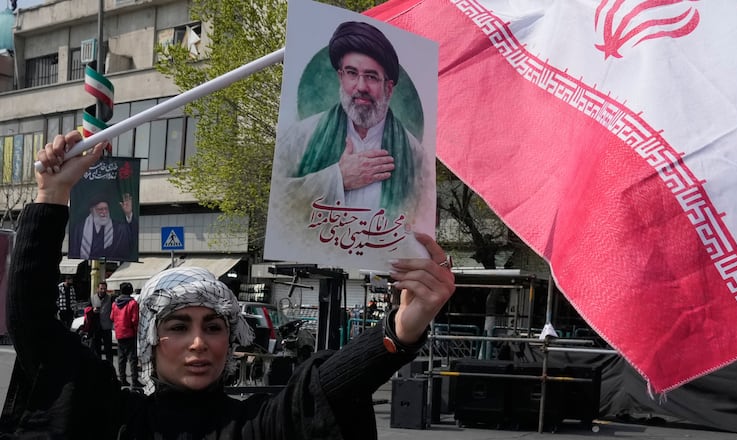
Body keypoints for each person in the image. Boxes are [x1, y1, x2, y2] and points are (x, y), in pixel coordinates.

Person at [0, 130, 455, 438]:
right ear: (150, 341)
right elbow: (34, 327)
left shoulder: (255, 424)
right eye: (178, 326)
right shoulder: (115, 420)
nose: (199, 343)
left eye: (213, 327)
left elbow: (323, 388)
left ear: (232, 338)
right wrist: (51, 196)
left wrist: (401, 331)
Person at [269, 21, 433, 235]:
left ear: (388, 88)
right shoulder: (301, 137)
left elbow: (421, 222)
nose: (361, 87)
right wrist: (337, 178)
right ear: (340, 77)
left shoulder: (415, 156)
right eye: (352, 73)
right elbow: (279, 203)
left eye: (372, 77)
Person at [68, 192, 137, 261]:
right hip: (87, 267)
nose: (104, 212)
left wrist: (128, 214)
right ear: (92, 211)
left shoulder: (118, 228)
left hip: (111, 267)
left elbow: (131, 236)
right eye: (100, 209)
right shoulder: (80, 229)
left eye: (106, 209)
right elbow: (75, 252)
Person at [111, 281, 141, 388]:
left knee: (121, 358)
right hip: (130, 333)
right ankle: (134, 380)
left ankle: (123, 379)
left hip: (119, 333)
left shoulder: (115, 304)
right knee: (132, 358)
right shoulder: (132, 303)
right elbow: (134, 320)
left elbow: (112, 317)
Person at [90, 280, 114, 363]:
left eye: (104, 289)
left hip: (107, 326)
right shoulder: (93, 298)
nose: (103, 290)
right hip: (96, 327)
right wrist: (93, 310)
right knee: (97, 349)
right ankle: (98, 367)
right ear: (97, 289)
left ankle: (110, 366)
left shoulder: (110, 298)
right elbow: (88, 309)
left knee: (108, 349)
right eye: (101, 288)